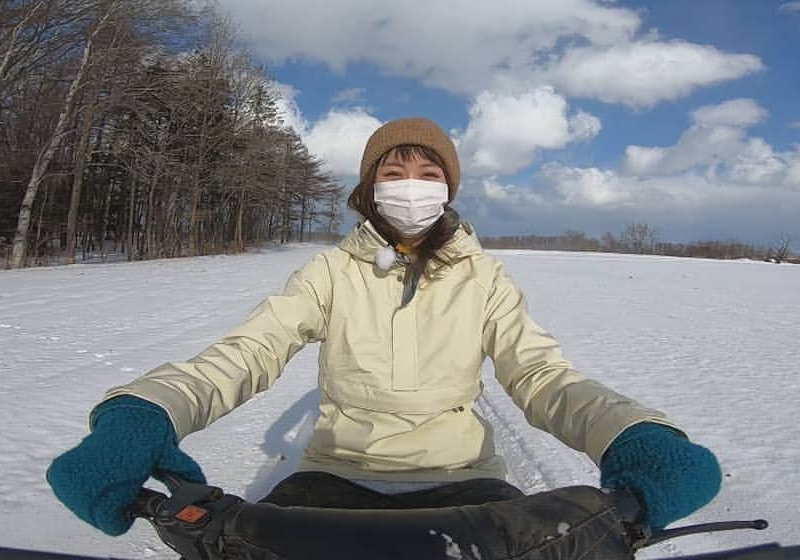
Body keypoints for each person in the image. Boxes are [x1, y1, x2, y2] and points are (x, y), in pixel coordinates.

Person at [47, 117, 721, 539]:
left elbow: (542, 377)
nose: (411, 184)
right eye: (393, 172)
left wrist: (636, 432)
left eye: (428, 173)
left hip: (464, 477)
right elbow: (246, 353)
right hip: (333, 477)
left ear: (448, 190)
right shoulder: (328, 274)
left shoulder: (485, 279)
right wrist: (144, 412)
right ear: (370, 189)